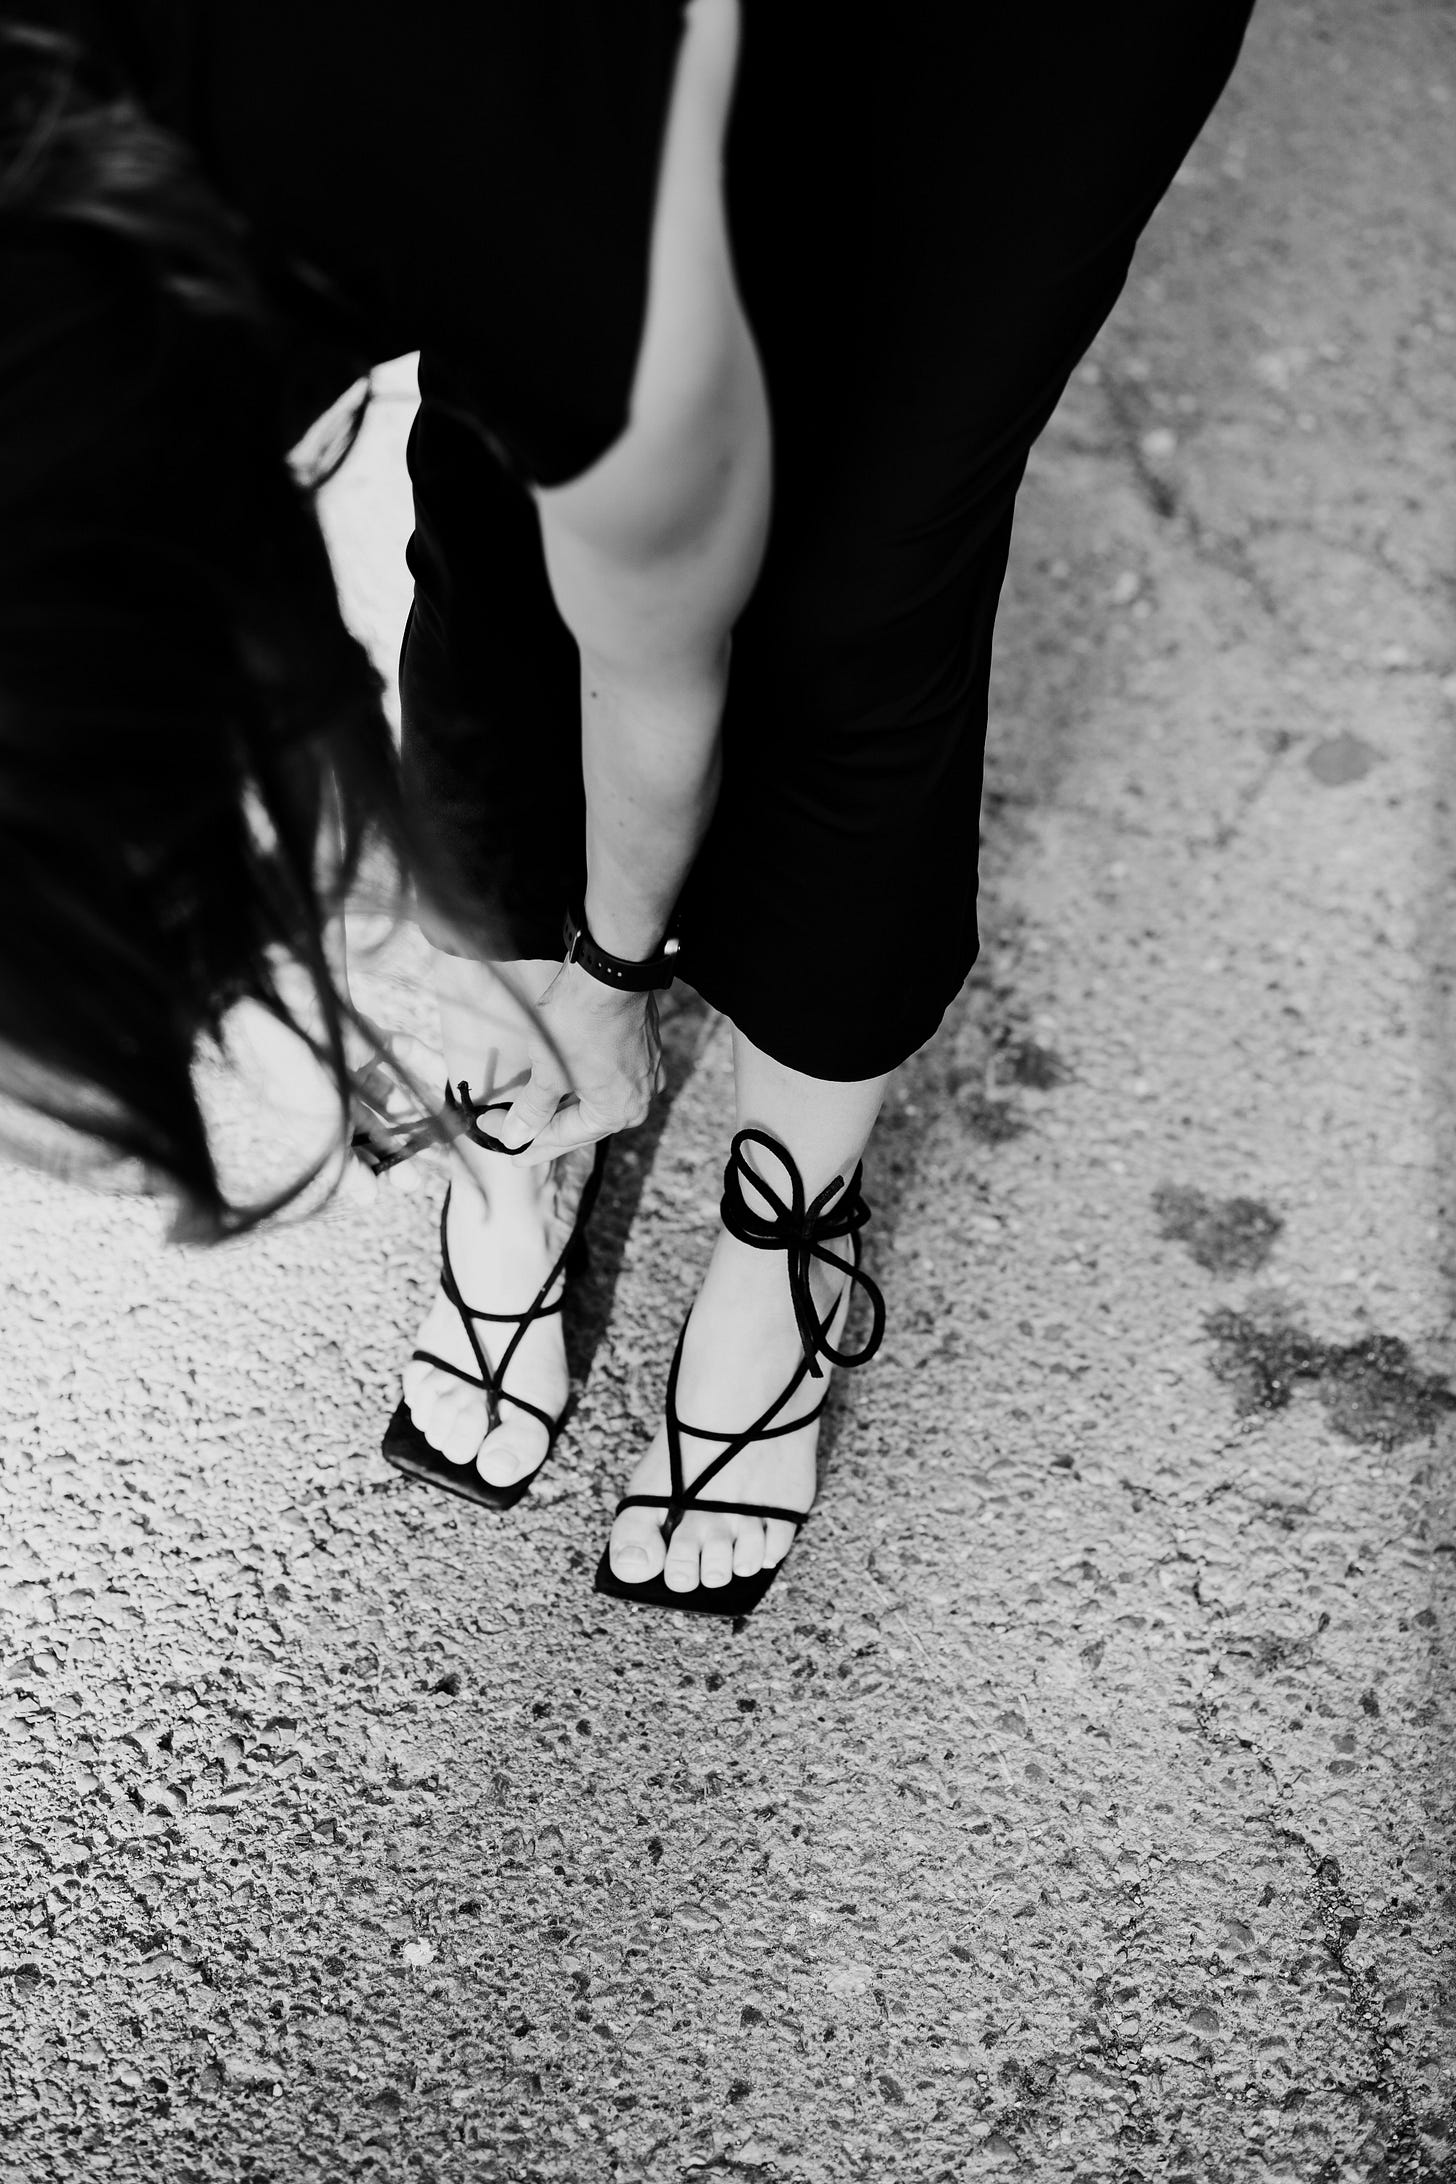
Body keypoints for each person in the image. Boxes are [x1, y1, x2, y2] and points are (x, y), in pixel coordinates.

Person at [0, 1, 1255, 1614]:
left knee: (862, 570)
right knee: (492, 490)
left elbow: (660, 666)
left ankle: (782, 1213)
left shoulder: (516, 205)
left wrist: (606, 975)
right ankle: (509, 1125)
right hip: (487, 106)